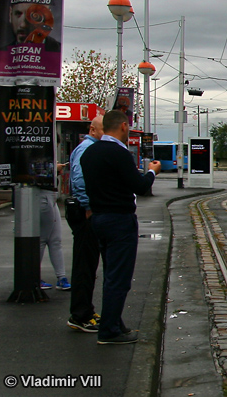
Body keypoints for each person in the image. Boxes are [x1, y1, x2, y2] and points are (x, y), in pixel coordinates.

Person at [82, 110, 160, 345]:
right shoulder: (119, 153)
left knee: (110, 274)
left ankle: (114, 322)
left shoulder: (89, 152)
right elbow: (140, 186)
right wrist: (151, 172)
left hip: (98, 218)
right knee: (119, 278)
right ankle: (109, 331)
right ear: (123, 127)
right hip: (119, 220)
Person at [65, 116, 103, 333]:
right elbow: (79, 180)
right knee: (84, 264)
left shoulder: (89, 147)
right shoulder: (86, 149)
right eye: (103, 129)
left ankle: (86, 310)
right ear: (92, 129)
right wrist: (88, 206)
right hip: (83, 211)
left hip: (84, 209)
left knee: (88, 263)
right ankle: (80, 315)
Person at [38, 188, 69, 290]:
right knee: (42, 239)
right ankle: (34, 277)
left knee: (55, 240)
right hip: (43, 194)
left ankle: (61, 277)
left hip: (50, 195)